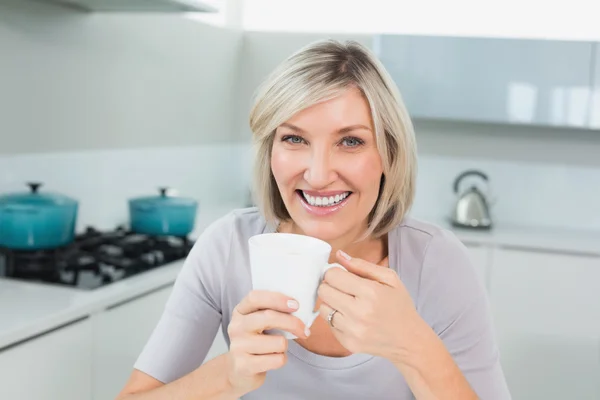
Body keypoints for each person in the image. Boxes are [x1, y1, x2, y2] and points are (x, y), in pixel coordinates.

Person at [116, 39, 511, 400]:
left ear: (389, 155)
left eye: (351, 141)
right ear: (270, 151)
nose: (318, 174)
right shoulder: (227, 248)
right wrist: (228, 375)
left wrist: (411, 344)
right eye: (294, 139)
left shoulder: (437, 263)